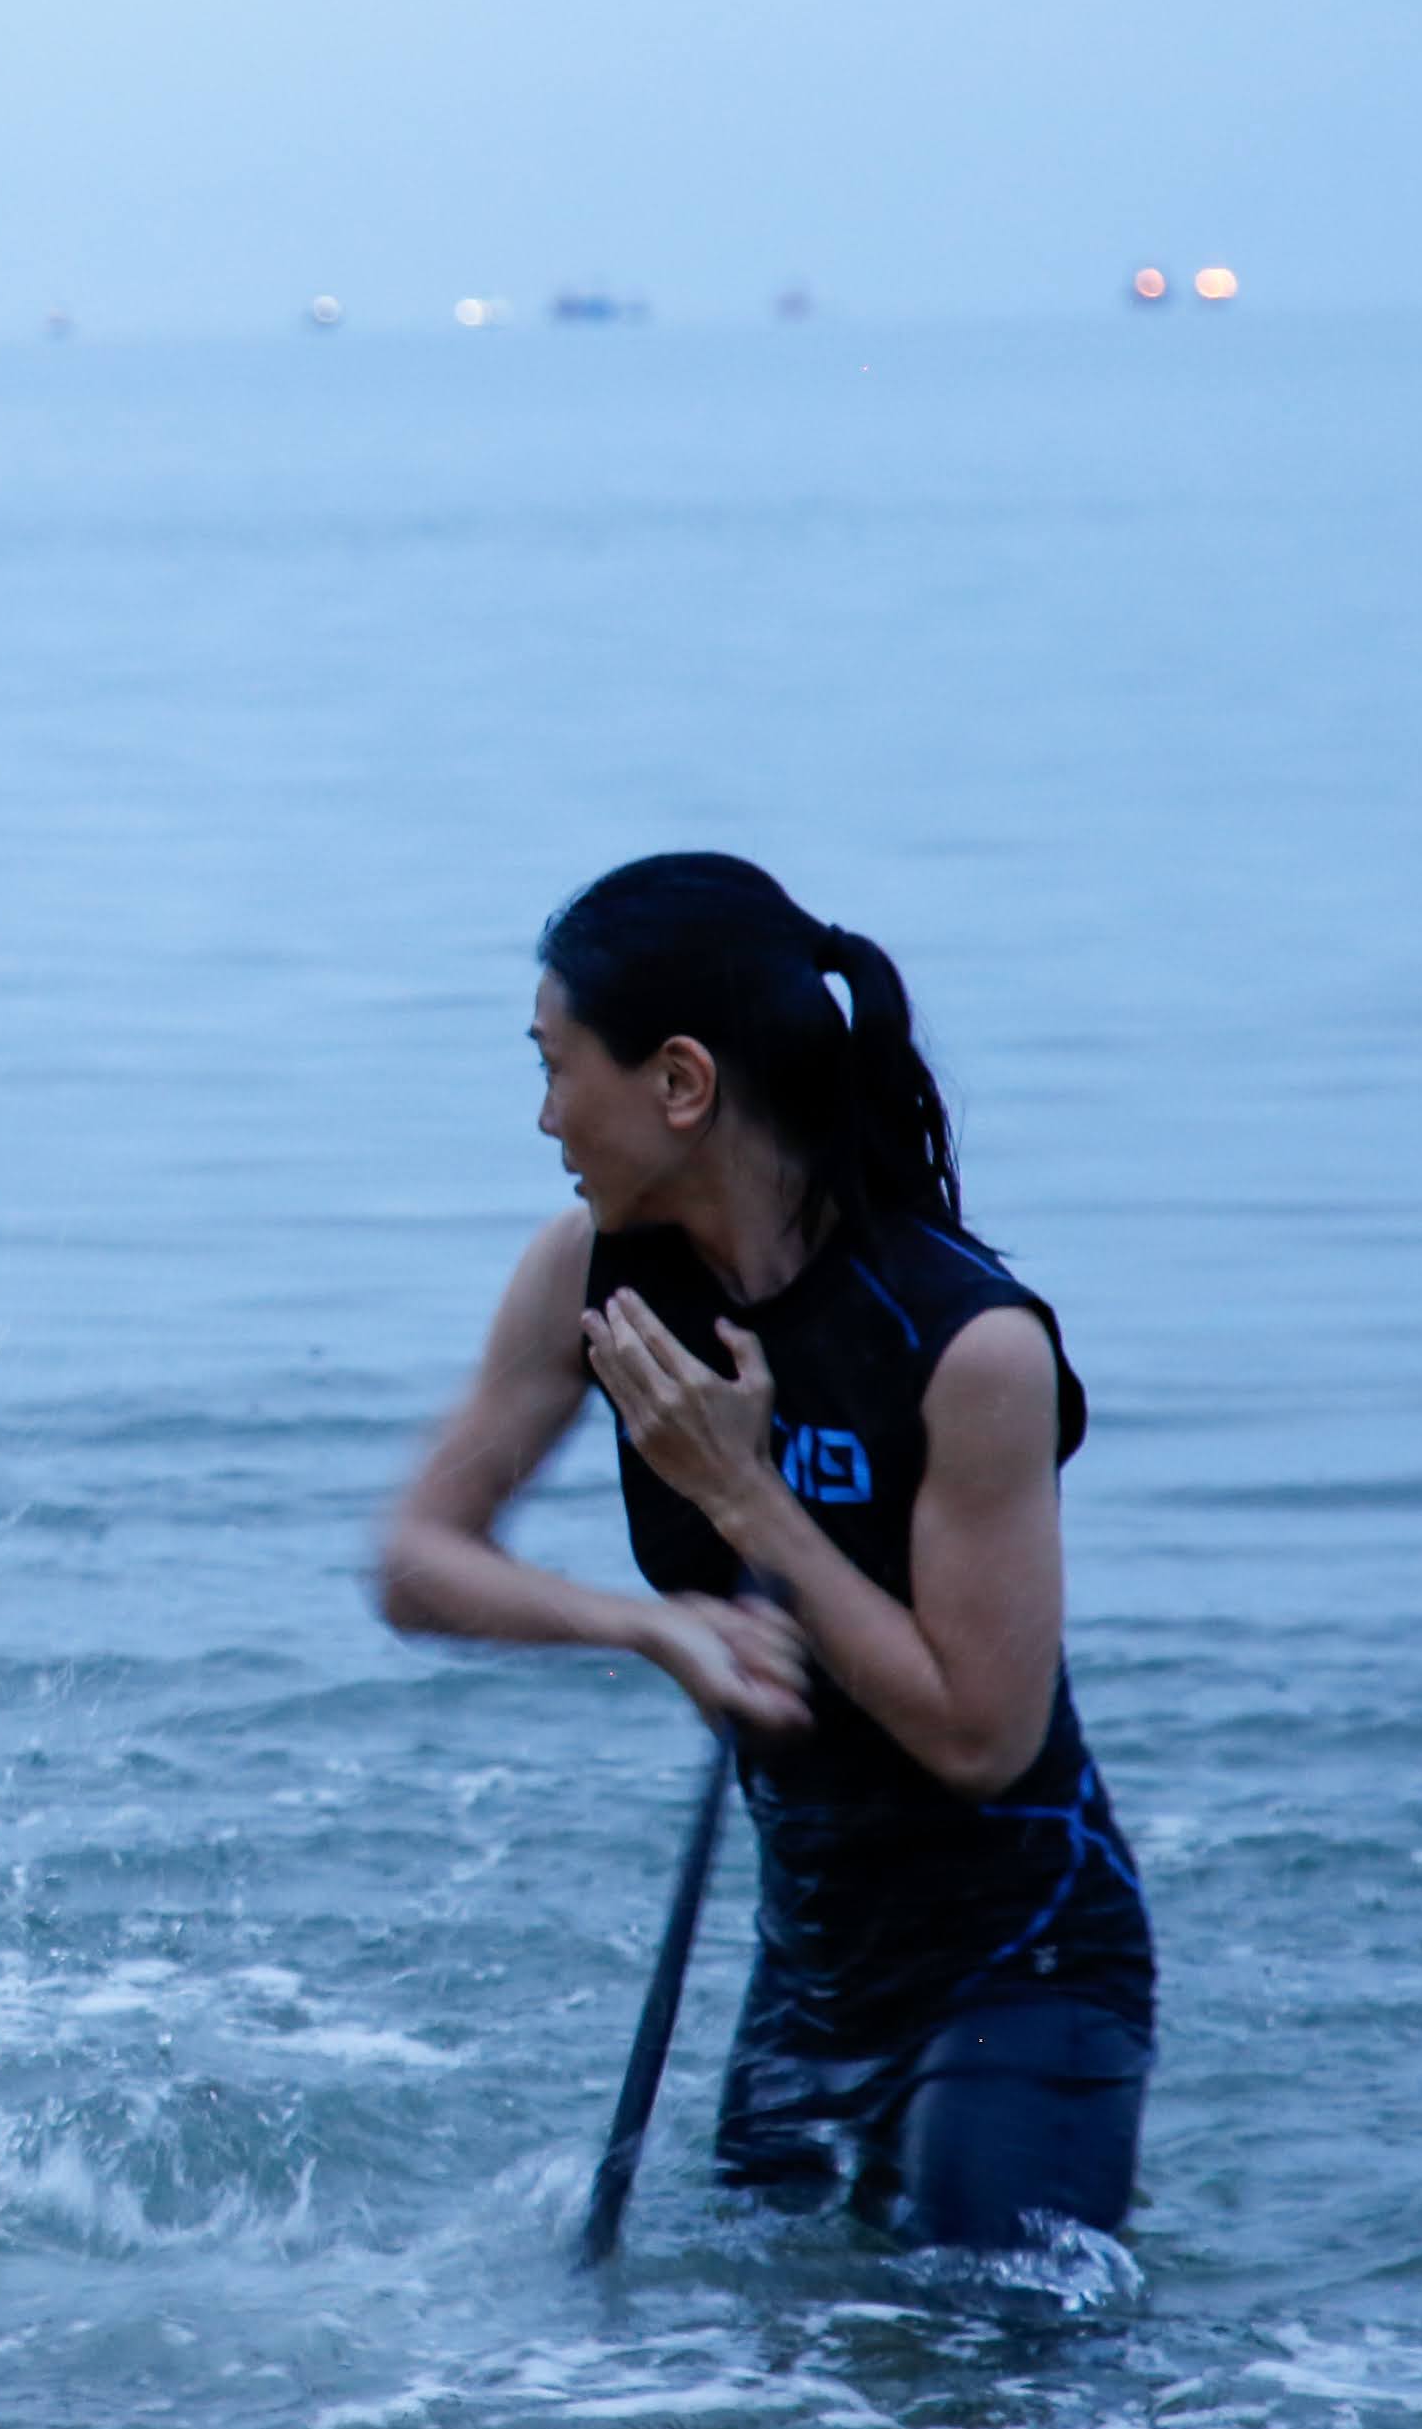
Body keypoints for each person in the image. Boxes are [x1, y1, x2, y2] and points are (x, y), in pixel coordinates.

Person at [373, 853, 1152, 2253]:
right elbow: (415, 1560)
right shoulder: (587, 1277)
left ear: (680, 1082)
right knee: (759, 2370)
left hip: (1023, 1966)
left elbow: (983, 1736)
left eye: (556, 1069)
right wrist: (649, 1625)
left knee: (989, 2360)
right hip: (810, 1978)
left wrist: (742, 1496)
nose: (544, 1117)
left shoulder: (968, 1344)